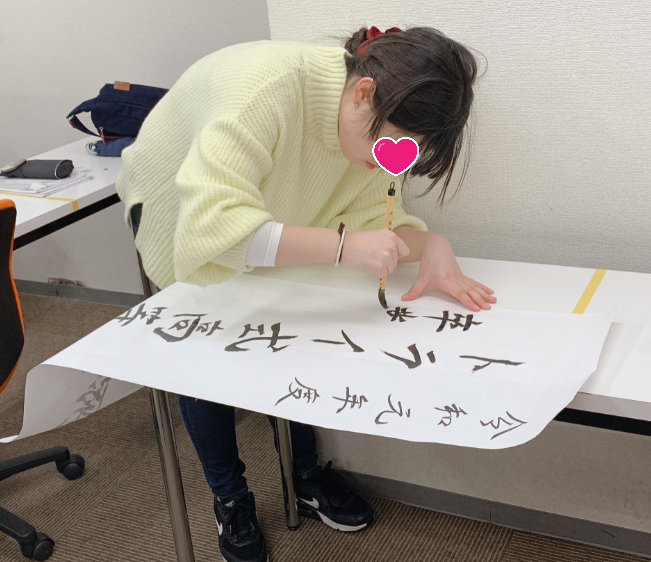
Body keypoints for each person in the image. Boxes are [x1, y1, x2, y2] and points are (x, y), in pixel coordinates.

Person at [116, 24, 496, 562]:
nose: (392, 162)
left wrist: (430, 243)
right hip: (176, 208)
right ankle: (230, 497)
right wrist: (341, 247)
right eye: (393, 146)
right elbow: (210, 230)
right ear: (363, 93)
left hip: (264, 209)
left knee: (293, 326)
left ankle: (304, 474)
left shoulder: (367, 127)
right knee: (206, 351)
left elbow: (373, 215)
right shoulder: (263, 89)